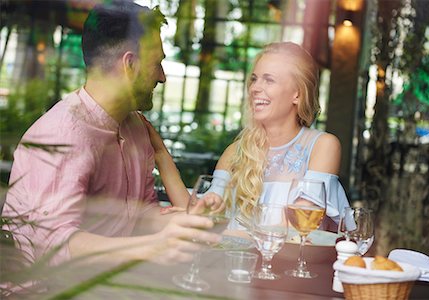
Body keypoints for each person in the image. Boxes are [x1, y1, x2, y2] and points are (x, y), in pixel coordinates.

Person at [2, 2, 220, 267]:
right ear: (129, 65)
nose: (162, 77)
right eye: (157, 64)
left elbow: (139, 213)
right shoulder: (62, 135)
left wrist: (180, 222)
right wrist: (152, 247)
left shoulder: (137, 127)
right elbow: (54, 246)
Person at [213, 42, 349, 229]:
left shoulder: (322, 146)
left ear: (297, 95)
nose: (254, 88)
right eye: (254, 79)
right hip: (234, 258)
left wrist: (227, 237)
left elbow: (296, 229)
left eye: (269, 80)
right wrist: (162, 155)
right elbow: (206, 217)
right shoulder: (235, 152)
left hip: (291, 258)